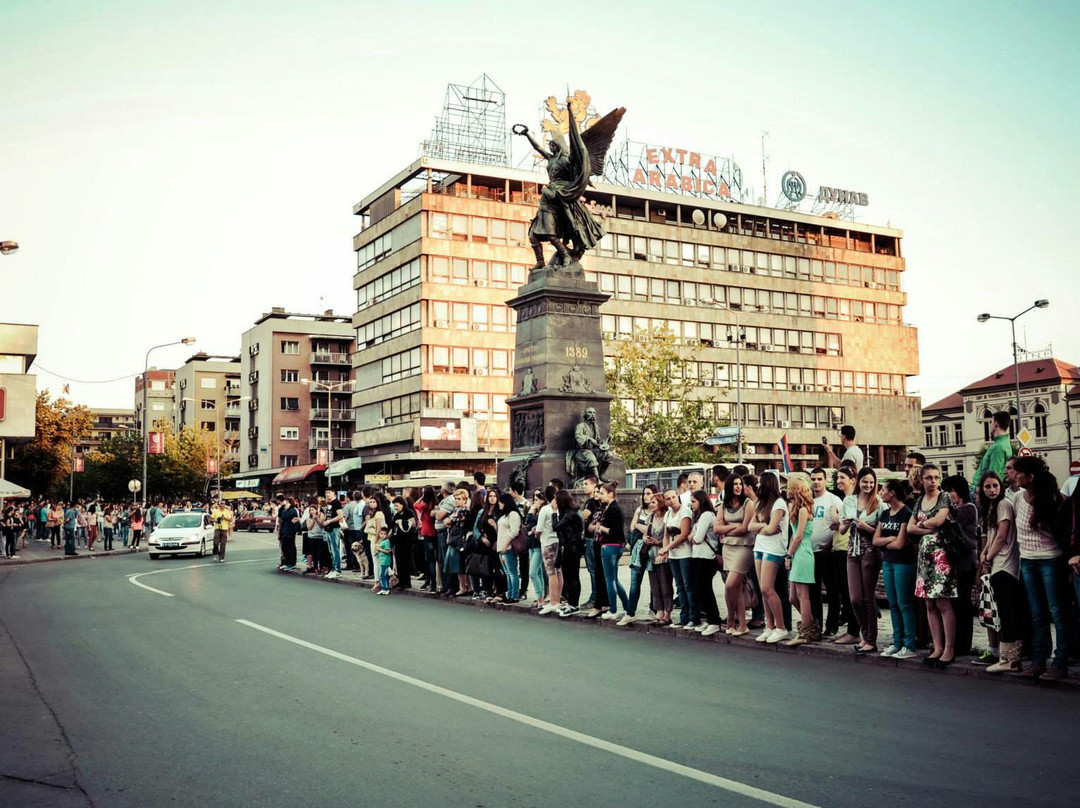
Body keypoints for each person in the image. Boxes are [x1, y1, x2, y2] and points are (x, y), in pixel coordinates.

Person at [1012, 456, 1069, 680]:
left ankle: (1060, 661)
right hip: (1028, 560)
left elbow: (1062, 533)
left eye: (1018, 472)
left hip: (1051, 560)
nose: (1015, 476)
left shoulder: (1053, 500)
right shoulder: (1017, 498)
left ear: (1031, 477)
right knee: (1037, 613)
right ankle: (1039, 659)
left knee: (1058, 611)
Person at [909, 464, 956, 667]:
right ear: (922, 478)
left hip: (941, 556)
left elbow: (939, 520)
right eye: (929, 477)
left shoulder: (944, 497)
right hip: (924, 556)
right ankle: (937, 646)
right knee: (929, 603)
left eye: (937, 477)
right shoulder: (920, 500)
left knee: (943, 602)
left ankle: (949, 648)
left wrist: (922, 524)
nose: (933, 481)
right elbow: (910, 528)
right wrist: (925, 527)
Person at [978, 473, 1023, 673]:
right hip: (998, 564)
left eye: (995, 485)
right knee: (1002, 613)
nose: (991, 490)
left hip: (1005, 565)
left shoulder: (1003, 504)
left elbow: (1002, 536)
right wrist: (984, 553)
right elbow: (991, 536)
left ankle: (1011, 659)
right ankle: (1007, 657)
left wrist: (988, 557)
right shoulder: (991, 507)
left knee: (1007, 612)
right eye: (987, 486)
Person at [873, 479, 917, 659]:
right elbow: (876, 541)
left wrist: (888, 540)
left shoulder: (906, 513)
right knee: (892, 603)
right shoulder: (884, 513)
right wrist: (890, 540)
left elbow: (900, 544)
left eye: (883, 489)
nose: (881, 493)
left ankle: (909, 645)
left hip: (903, 562)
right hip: (888, 562)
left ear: (892, 493)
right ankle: (897, 642)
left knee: (904, 603)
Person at [749, 473, 791, 643]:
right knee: (762, 589)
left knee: (768, 588)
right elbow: (751, 526)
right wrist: (764, 527)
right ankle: (769, 626)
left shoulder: (779, 503)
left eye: (759, 483)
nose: (757, 486)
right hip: (759, 547)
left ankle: (781, 627)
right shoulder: (760, 503)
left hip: (774, 549)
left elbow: (773, 528)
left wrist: (765, 528)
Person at [846, 467, 883, 654]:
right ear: (858, 482)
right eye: (865, 481)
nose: (868, 485)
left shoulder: (879, 503)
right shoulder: (849, 500)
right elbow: (843, 530)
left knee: (868, 598)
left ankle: (871, 639)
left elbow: (882, 531)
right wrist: (843, 523)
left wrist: (866, 527)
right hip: (852, 550)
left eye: (871, 482)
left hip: (870, 551)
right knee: (855, 599)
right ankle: (864, 633)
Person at [942, 475, 979, 656]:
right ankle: (954, 641)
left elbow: (949, 524)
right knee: (954, 602)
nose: (948, 495)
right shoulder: (956, 508)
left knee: (962, 602)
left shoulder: (968, 509)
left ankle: (963, 644)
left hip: (965, 560)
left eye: (951, 491)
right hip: (955, 560)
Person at [715, 474, 754, 636]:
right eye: (735, 484)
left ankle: (731, 619)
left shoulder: (748, 503)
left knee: (731, 584)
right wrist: (733, 527)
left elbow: (745, 528)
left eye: (740, 484)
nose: (738, 487)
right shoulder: (723, 505)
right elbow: (716, 529)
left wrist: (727, 527)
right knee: (736, 587)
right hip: (728, 548)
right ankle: (740, 624)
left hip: (744, 547)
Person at [808, 468, 843, 637]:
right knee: (813, 592)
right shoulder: (808, 500)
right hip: (810, 552)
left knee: (832, 590)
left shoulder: (834, 500)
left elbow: (842, 526)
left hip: (828, 552)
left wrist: (830, 544)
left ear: (825, 480)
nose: (816, 482)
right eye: (813, 479)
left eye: (819, 478)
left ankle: (832, 626)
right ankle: (816, 626)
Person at [784, 477, 818, 645]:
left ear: (796, 490)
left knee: (802, 596)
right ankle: (811, 625)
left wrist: (789, 555)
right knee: (792, 597)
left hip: (803, 552)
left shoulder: (804, 510)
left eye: (789, 488)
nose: (787, 490)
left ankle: (805, 632)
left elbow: (799, 537)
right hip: (797, 552)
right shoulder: (795, 508)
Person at [658, 488, 696, 629]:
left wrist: (667, 548)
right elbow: (666, 535)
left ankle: (693, 617)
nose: (672, 500)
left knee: (688, 586)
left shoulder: (685, 511)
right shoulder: (668, 514)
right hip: (674, 556)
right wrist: (665, 551)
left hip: (685, 553)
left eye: (674, 497)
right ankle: (683, 618)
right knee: (679, 587)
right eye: (668, 498)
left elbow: (684, 534)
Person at [831, 468, 861, 644]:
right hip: (838, 547)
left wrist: (836, 522)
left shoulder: (852, 500)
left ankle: (854, 631)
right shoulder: (845, 500)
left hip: (847, 548)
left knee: (850, 592)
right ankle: (851, 629)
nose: (838, 481)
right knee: (844, 591)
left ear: (852, 480)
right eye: (838, 478)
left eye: (842, 478)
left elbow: (844, 524)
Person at [688, 490, 722, 636]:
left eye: (694, 501)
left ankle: (714, 621)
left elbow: (697, 538)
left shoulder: (707, 515)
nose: (691, 504)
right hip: (698, 555)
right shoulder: (699, 516)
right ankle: (710, 620)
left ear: (701, 501)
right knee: (701, 589)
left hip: (706, 557)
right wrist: (693, 536)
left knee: (705, 589)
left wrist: (692, 536)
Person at [593, 482, 629, 621]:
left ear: (611, 494)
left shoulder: (613, 509)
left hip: (610, 546)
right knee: (614, 579)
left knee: (610, 579)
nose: (600, 496)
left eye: (602, 493)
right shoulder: (611, 508)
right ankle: (627, 606)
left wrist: (601, 528)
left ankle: (613, 609)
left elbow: (614, 531)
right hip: (615, 546)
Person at [621, 486, 656, 626]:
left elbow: (654, 529)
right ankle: (630, 612)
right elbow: (631, 526)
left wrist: (641, 527)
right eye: (644, 494)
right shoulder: (640, 509)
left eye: (649, 494)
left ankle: (654, 609)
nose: (646, 496)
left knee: (655, 582)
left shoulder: (659, 511)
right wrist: (645, 528)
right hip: (639, 549)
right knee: (635, 581)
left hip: (653, 548)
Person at [552, 489, 584, 617]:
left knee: (572, 576)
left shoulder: (570, 514)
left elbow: (556, 527)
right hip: (569, 547)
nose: (553, 502)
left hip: (572, 548)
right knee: (569, 575)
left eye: (555, 499)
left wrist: (554, 513)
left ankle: (574, 604)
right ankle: (571, 603)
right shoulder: (569, 512)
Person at [647, 490, 674, 626]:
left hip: (662, 554)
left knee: (665, 584)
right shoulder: (651, 517)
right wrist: (645, 538)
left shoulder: (666, 517)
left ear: (660, 503)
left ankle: (668, 613)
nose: (650, 504)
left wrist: (657, 543)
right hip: (651, 555)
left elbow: (667, 537)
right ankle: (659, 610)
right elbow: (646, 532)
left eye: (653, 502)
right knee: (654, 585)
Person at [535, 486, 563, 615]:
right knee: (558, 571)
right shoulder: (561, 510)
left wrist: (536, 534)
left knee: (551, 572)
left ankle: (553, 601)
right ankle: (558, 599)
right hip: (558, 541)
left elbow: (539, 529)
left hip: (547, 542)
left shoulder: (545, 509)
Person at [972, 411, 1014, 491]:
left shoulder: (998, 446)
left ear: (996, 424)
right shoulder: (1003, 443)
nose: (990, 425)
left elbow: (994, 474)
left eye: (991, 422)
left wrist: (981, 490)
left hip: (981, 490)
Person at [443, 488, 472, 598]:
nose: (456, 500)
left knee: (458, 565)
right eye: (455, 498)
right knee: (461, 565)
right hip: (457, 538)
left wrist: (448, 521)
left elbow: (448, 520)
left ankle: (463, 587)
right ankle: (468, 587)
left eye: (459, 498)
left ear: (465, 500)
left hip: (458, 540)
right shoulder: (458, 509)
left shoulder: (462, 510)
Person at [579, 476, 600, 611]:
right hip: (589, 538)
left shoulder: (592, 502)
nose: (584, 486)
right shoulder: (590, 502)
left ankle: (595, 597)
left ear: (594, 485)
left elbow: (582, 516)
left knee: (593, 570)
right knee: (593, 569)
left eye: (586, 484)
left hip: (591, 539)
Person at [525, 490, 547, 607]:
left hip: (538, 544)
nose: (534, 501)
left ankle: (540, 598)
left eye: (537, 499)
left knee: (533, 572)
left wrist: (532, 528)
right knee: (537, 572)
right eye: (534, 499)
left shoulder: (543, 511)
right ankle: (540, 596)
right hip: (531, 544)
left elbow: (536, 523)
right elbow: (527, 523)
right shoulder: (535, 511)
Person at [389, 496, 416, 589]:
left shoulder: (409, 512)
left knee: (405, 562)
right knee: (399, 562)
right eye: (394, 506)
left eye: (397, 505)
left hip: (406, 541)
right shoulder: (396, 515)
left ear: (402, 504)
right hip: (397, 541)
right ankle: (400, 581)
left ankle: (406, 582)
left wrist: (401, 522)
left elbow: (413, 524)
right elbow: (392, 528)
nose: (396, 508)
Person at [416, 486, 438, 591]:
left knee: (430, 560)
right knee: (434, 559)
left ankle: (432, 583)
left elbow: (415, 505)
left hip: (427, 533)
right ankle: (432, 582)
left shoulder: (425, 505)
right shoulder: (434, 504)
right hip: (434, 532)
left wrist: (422, 497)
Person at [341, 490, 365, 573]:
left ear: (348, 498)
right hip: (358, 529)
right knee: (358, 547)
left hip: (350, 528)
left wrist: (342, 529)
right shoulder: (360, 504)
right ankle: (357, 564)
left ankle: (350, 564)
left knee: (349, 547)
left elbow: (344, 518)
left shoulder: (347, 506)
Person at [277, 496, 300, 571]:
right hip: (284, 530)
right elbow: (282, 517)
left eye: (287, 503)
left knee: (290, 547)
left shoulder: (293, 510)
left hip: (290, 531)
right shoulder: (285, 510)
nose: (285, 504)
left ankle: (292, 562)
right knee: (284, 547)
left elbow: (285, 516)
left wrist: (285, 510)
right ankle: (287, 562)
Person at [374, 526, 393, 596]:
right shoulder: (381, 541)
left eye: (384, 534)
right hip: (381, 560)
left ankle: (385, 588)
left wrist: (379, 549)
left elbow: (387, 551)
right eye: (381, 534)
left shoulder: (386, 541)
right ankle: (385, 588)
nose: (383, 535)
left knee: (382, 575)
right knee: (383, 575)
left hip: (385, 561)